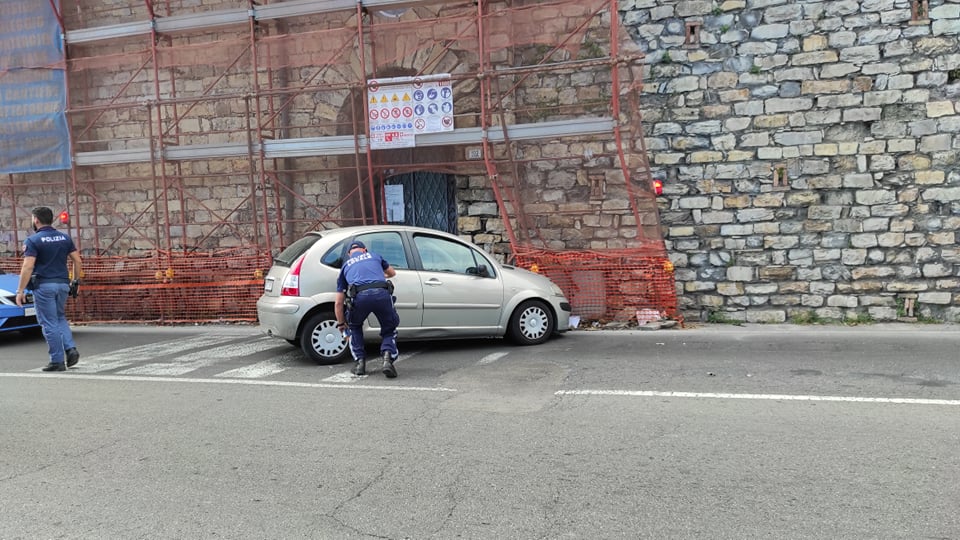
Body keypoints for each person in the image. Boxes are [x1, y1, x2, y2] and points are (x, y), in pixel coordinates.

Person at [15, 207, 83, 372]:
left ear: (36, 220)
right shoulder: (64, 238)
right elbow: (77, 260)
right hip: (63, 284)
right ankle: (70, 349)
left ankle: (57, 360)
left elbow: (28, 266)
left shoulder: (33, 240)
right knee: (60, 318)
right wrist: (75, 281)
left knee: (48, 322)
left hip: (44, 285)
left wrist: (20, 290)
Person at [334, 240, 399, 378]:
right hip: (382, 294)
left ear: (349, 254)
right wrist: (380, 276)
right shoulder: (375, 256)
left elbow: (338, 303)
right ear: (364, 250)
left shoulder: (345, 266)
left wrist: (341, 324)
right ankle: (388, 358)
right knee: (389, 328)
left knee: (354, 326)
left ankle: (360, 364)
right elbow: (392, 273)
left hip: (359, 297)